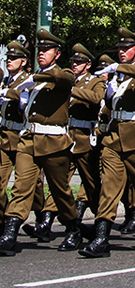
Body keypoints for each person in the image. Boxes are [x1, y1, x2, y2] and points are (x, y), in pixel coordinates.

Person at [80, 28, 135, 258]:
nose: (122, 52)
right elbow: (110, 107)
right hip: (114, 139)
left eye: (127, 48)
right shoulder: (119, 77)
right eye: (120, 48)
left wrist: (118, 68)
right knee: (109, 187)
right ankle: (101, 237)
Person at [0, 29, 82, 255]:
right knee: (21, 187)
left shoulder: (60, 74)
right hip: (28, 140)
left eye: (47, 50)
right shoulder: (31, 79)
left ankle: (73, 227)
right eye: (40, 50)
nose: (42, 53)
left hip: (54, 141)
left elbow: (66, 78)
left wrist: (35, 78)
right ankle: (9, 233)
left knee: (60, 191)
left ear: (57, 54)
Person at [0, 41, 48, 235]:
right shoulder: (6, 81)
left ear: (23, 61)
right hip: (4, 137)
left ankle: (41, 216)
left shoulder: (29, 80)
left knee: (31, 183)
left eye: (13, 59)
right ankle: (4, 222)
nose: (9, 61)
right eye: (8, 58)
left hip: (23, 137)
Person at [66, 43, 106, 223]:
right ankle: (48, 221)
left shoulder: (95, 82)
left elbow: (97, 98)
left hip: (84, 137)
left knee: (90, 182)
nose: (75, 64)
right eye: (74, 61)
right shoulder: (69, 80)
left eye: (79, 62)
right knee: (60, 181)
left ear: (88, 64)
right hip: (67, 137)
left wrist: (73, 91)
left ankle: (101, 217)